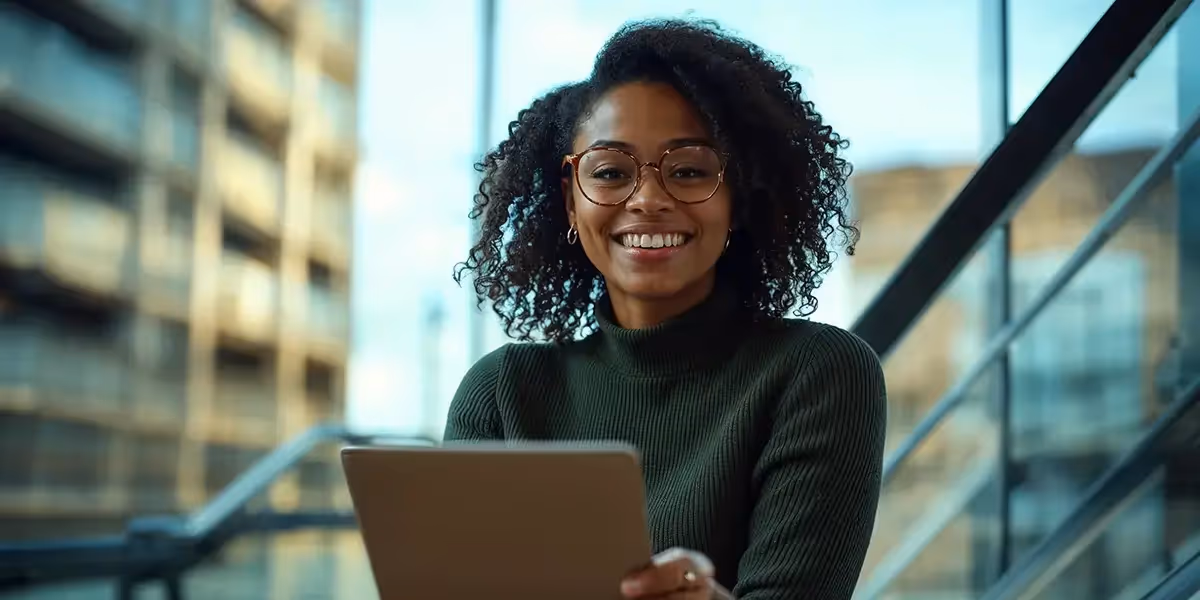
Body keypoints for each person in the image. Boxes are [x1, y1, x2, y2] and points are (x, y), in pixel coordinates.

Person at [447, 18, 886, 600]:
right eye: (610, 173)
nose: (649, 199)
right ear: (570, 200)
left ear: (737, 195)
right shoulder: (500, 392)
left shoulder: (817, 373)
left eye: (688, 171)